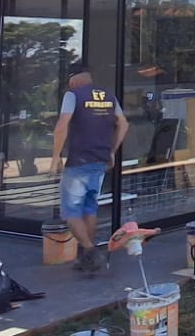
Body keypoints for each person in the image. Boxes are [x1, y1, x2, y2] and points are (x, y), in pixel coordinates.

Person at [51, 61, 129, 272]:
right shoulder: (109, 96)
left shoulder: (73, 95)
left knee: (71, 211)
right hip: (100, 160)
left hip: (79, 161)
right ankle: (87, 258)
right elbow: (123, 124)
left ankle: (90, 250)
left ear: (74, 80)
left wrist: (56, 156)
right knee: (89, 207)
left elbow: (61, 126)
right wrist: (112, 150)